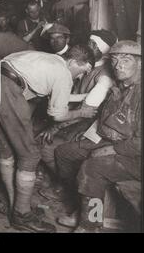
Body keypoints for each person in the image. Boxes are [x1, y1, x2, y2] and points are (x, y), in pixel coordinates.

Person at [0, 45, 95, 232]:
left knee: (7, 150)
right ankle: (22, 215)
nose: (81, 77)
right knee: (30, 155)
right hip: (8, 90)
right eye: (83, 71)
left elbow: (52, 90)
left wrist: (82, 96)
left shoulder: (48, 59)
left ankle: (14, 205)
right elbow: (57, 114)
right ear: (74, 62)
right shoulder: (64, 74)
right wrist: (82, 111)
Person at [54, 41, 141, 232]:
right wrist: (91, 137)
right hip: (110, 141)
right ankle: (82, 206)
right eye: (115, 60)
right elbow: (104, 119)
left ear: (140, 63)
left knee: (92, 167)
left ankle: (90, 224)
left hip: (135, 156)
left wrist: (111, 149)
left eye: (126, 60)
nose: (119, 65)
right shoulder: (119, 86)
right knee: (64, 152)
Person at [38, 30, 118, 192]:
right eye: (89, 42)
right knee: (37, 137)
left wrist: (55, 127)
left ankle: (68, 187)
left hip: (85, 125)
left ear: (104, 50)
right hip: (72, 116)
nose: (89, 46)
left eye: (94, 45)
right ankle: (59, 179)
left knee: (45, 146)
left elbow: (88, 111)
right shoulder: (85, 65)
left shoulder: (104, 77)